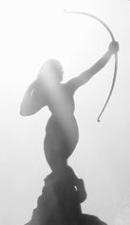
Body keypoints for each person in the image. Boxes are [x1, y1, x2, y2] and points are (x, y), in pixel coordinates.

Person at [20, 41, 119, 173]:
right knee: (58, 163)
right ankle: (61, 175)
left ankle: (61, 174)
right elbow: (24, 111)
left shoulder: (68, 87)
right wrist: (32, 85)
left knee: (53, 128)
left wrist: (109, 52)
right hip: (58, 132)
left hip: (68, 130)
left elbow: (91, 71)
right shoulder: (48, 96)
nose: (63, 71)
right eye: (60, 69)